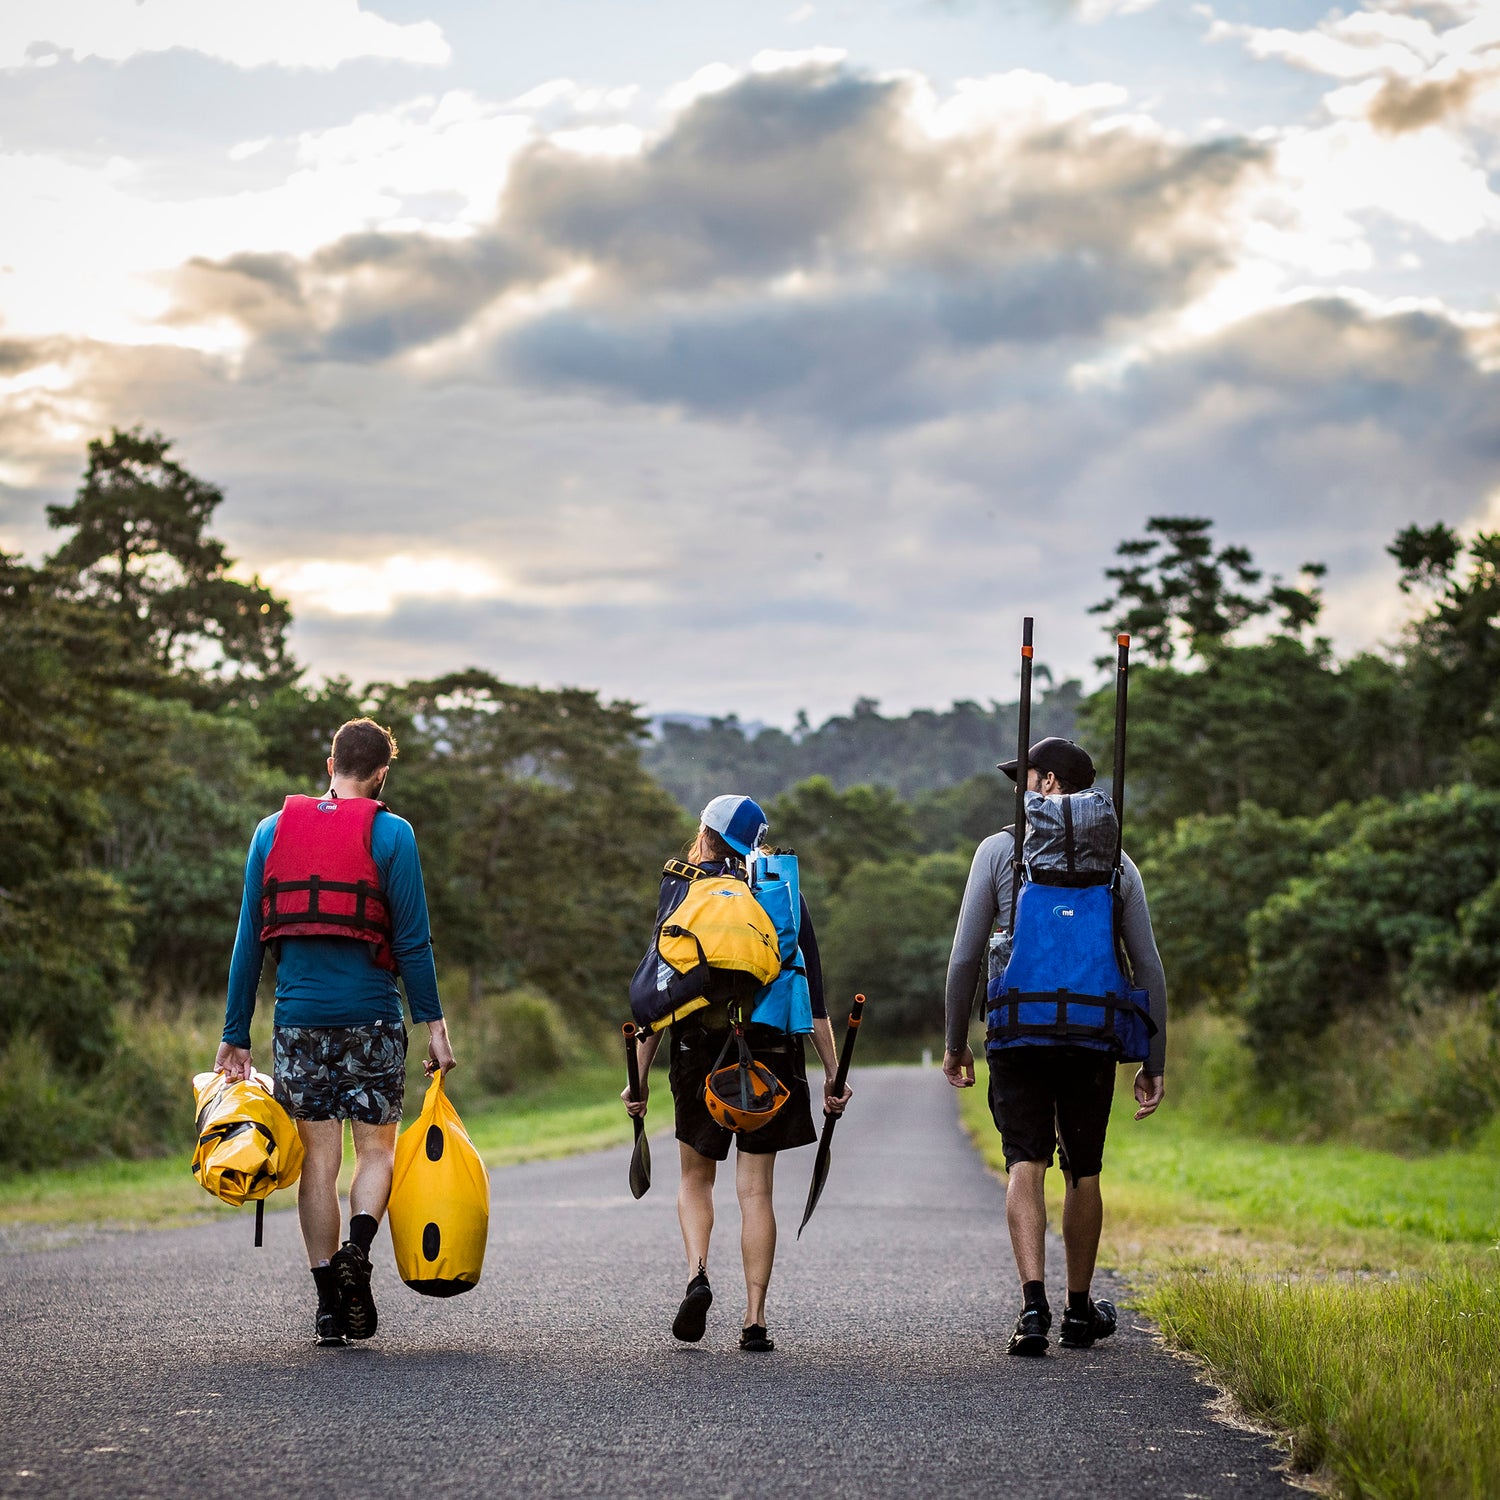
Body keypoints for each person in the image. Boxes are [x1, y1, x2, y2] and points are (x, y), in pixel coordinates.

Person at [215, 717, 456, 1347]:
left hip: (297, 1025)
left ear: (330, 765)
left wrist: (234, 1033)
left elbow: (249, 942)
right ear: (381, 775)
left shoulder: (270, 832)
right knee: (376, 1152)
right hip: (373, 1021)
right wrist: (434, 1025)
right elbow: (412, 942)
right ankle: (359, 1250)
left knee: (318, 1163)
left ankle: (328, 1305)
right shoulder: (393, 834)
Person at [941, 737, 1166, 1357]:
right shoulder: (1118, 864)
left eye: (1027, 778)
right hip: (1093, 1034)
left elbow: (963, 958)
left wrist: (956, 1041)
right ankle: (1078, 1310)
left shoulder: (998, 851)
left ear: (1049, 786)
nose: (1020, 789)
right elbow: (1147, 968)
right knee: (1084, 1170)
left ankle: (1033, 1308)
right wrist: (1156, 1059)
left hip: (1018, 1031)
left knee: (1026, 1163)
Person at [623, 794, 852, 1352]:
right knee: (756, 1192)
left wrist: (638, 1079)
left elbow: (659, 996)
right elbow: (813, 994)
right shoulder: (781, 892)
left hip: (698, 1048)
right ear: (756, 844)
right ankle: (754, 1320)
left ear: (704, 835)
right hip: (770, 1049)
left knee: (695, 1178)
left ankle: (698, 1274)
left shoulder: (683, 888)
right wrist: (832, 1072)